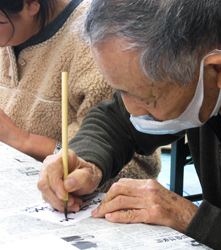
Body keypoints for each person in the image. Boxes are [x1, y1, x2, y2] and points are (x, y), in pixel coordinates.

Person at [37, 0, 221, 249]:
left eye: (146, 99)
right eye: (122, 91)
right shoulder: (198, 63)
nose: (130, 108)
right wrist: (87, 162)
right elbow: (117, 122)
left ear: (220, 71)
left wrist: (192, 219)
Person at [0, 0, 161, 192]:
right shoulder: (11, 33)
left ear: (31, 5)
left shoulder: (100, 42)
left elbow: (132, 164)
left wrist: (22, 140)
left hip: (87, 202)